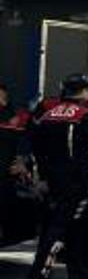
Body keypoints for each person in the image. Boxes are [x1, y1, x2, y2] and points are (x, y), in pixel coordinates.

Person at [26, 75, 88, 279]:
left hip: (54, 182)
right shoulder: (85, 116)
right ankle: (39, 275)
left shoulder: (48, 115)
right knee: (61, 228)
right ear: (83, 92)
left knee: (70, 225)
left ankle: (78, 271)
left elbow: (37, 150)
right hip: (77, 182)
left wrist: (42, 178)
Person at [0, 84, 35, 245]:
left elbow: (26, 140)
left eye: (3, 97)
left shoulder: (14, 117)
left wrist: (24, 160)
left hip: (7, 176)